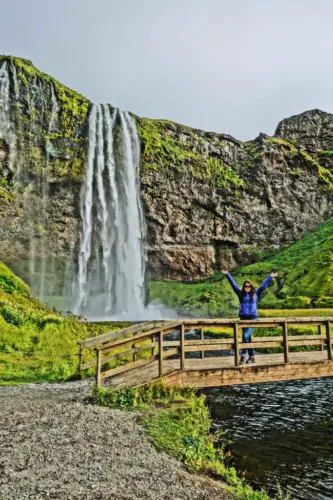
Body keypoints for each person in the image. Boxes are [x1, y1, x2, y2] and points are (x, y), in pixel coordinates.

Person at [222, 269, 279, 364]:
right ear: (244, 287)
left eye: (249, 286)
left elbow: (263, 285)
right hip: (243, 318)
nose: (247, 287)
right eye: (245, 286)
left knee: (245, 335)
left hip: (253, 318)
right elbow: (233, 284)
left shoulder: (256, 293)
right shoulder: (240, 294)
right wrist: (227, 274)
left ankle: (243, 356)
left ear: (251, 286)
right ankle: (252, 357)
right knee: (248, 337)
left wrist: (270, 276)